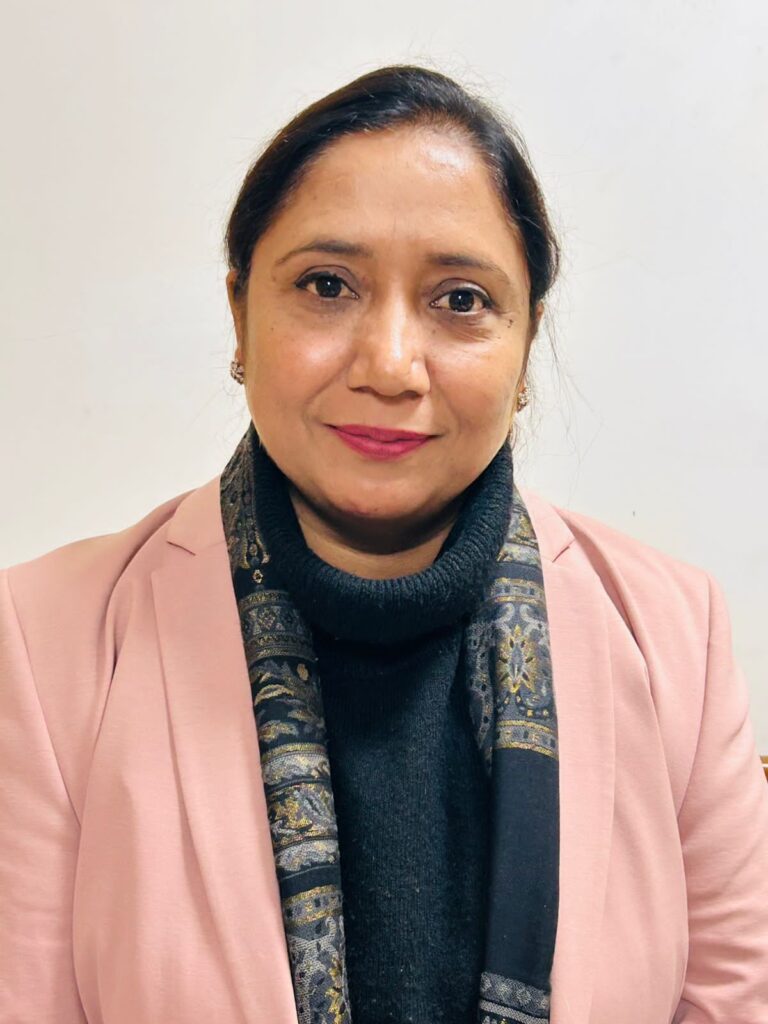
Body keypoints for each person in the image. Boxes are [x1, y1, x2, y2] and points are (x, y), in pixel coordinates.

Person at [1, 63, 766, 1024]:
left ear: (527, 341)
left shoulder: (675, 637)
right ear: (240, 313)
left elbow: (732, 997)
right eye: (327, 285)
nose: (391, 366)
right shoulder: (44, 645)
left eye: (461, 300)